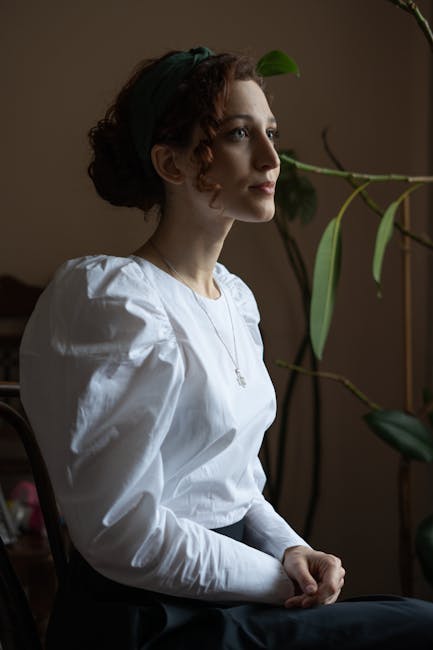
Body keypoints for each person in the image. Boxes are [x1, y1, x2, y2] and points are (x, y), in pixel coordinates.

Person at [20, 46, 433, 649]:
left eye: (271, 132)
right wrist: (273, 580)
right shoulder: (115, 300)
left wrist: (292, 549)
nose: (272, 158)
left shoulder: (233, 299)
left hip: (231, 592)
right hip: (150, 617)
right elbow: (120, 531)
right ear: (171, 162)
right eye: (240, 134)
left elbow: (232, 484)